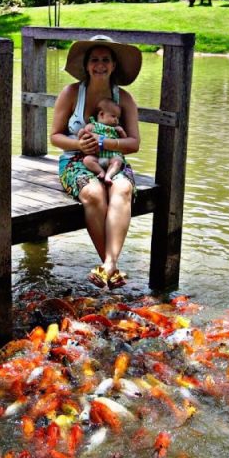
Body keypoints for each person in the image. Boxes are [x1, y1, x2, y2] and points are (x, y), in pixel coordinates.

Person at [50, 35, 143, 290]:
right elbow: (55, 136)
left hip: (113, 160)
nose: (99, 65)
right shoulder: (71, 93)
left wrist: (106, 144)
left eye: (105, 60)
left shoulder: (124, 99)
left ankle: (109, 264)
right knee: (93, 194)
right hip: (75, 161)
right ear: (86, 65)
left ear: (114, 65)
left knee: (122, 189)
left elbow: (134, 143)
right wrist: (80, 145)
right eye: (94, 60)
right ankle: (111, 267)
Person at [81, 98, 127, 187]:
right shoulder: (93, 126)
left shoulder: (116, 129)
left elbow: (124, 141)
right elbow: (84, 135)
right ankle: (100, 171)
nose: (116, 120)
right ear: (102, 114)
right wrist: (82, 133)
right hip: (97, 157)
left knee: (117, 161)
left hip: (111, 156)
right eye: (113, 116)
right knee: (87, 160)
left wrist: (121, 132)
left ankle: (108, 175)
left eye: (118, 118)